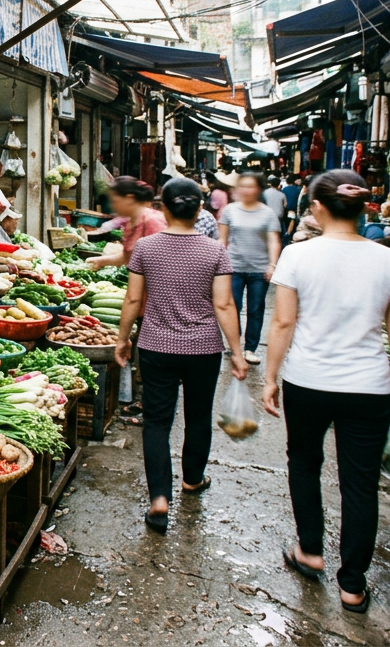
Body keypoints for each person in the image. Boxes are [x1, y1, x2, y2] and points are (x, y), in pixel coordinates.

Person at [263, 169, 390, 615]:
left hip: (307, 380)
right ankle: (352, 585)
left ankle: (310, 550)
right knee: (360, 483)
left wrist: (270, 377)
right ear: (366, 207)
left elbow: (284, 323)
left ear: (317, 208)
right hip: (367, 386)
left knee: (305, 464)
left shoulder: (297, 255)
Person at [115, 178, 248, 534]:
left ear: (163, 206)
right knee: (198, 416)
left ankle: (160, 499)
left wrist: (122, 338)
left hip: (156, 346)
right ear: (200, 209)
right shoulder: (215, 251)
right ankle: (192, 479)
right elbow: (224, 304)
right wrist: (237, 353)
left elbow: (131, 300)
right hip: (203, 348)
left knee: (157, 422)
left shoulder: (146, 248)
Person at [218, 172, 281, 364]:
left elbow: (273, 241)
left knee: (255, 309)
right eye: (242, 186)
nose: (246, 190)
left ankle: (250, 348)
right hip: (233, 267)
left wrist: (272, 264)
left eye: (250, 186)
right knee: (232, 306)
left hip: (259, 269)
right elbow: (222, 240)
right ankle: (233, 344)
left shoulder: (267, 213)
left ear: (258, 189)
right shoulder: (229, 210)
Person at [86, 177, 167, 269]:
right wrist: (101, 261)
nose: (112, 206)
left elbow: (164, 260)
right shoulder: (130, 222)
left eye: (114, 201)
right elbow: (128, 256)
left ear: (129, 198)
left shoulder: (152, 221)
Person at [281, 175, 304, 244]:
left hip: (286, 208)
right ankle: (289, 234)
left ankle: (287, 234)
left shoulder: (284, 189)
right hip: (294, 208)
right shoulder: (298, 189)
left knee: (286, 222)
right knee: (292, 221)